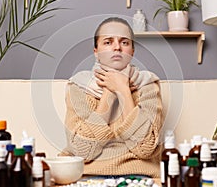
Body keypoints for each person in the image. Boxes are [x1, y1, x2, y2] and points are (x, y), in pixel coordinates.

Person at [59, 17, 164, 181]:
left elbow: (146, 148)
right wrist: (110, 90)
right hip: (86, 176)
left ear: (132, 51)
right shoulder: (78, 86)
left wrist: (123, 90)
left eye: (124, 42)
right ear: (96, 51)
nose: (117, 47)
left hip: (140, 176)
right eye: (108, 42)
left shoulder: (148, 85)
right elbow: (82, 150)